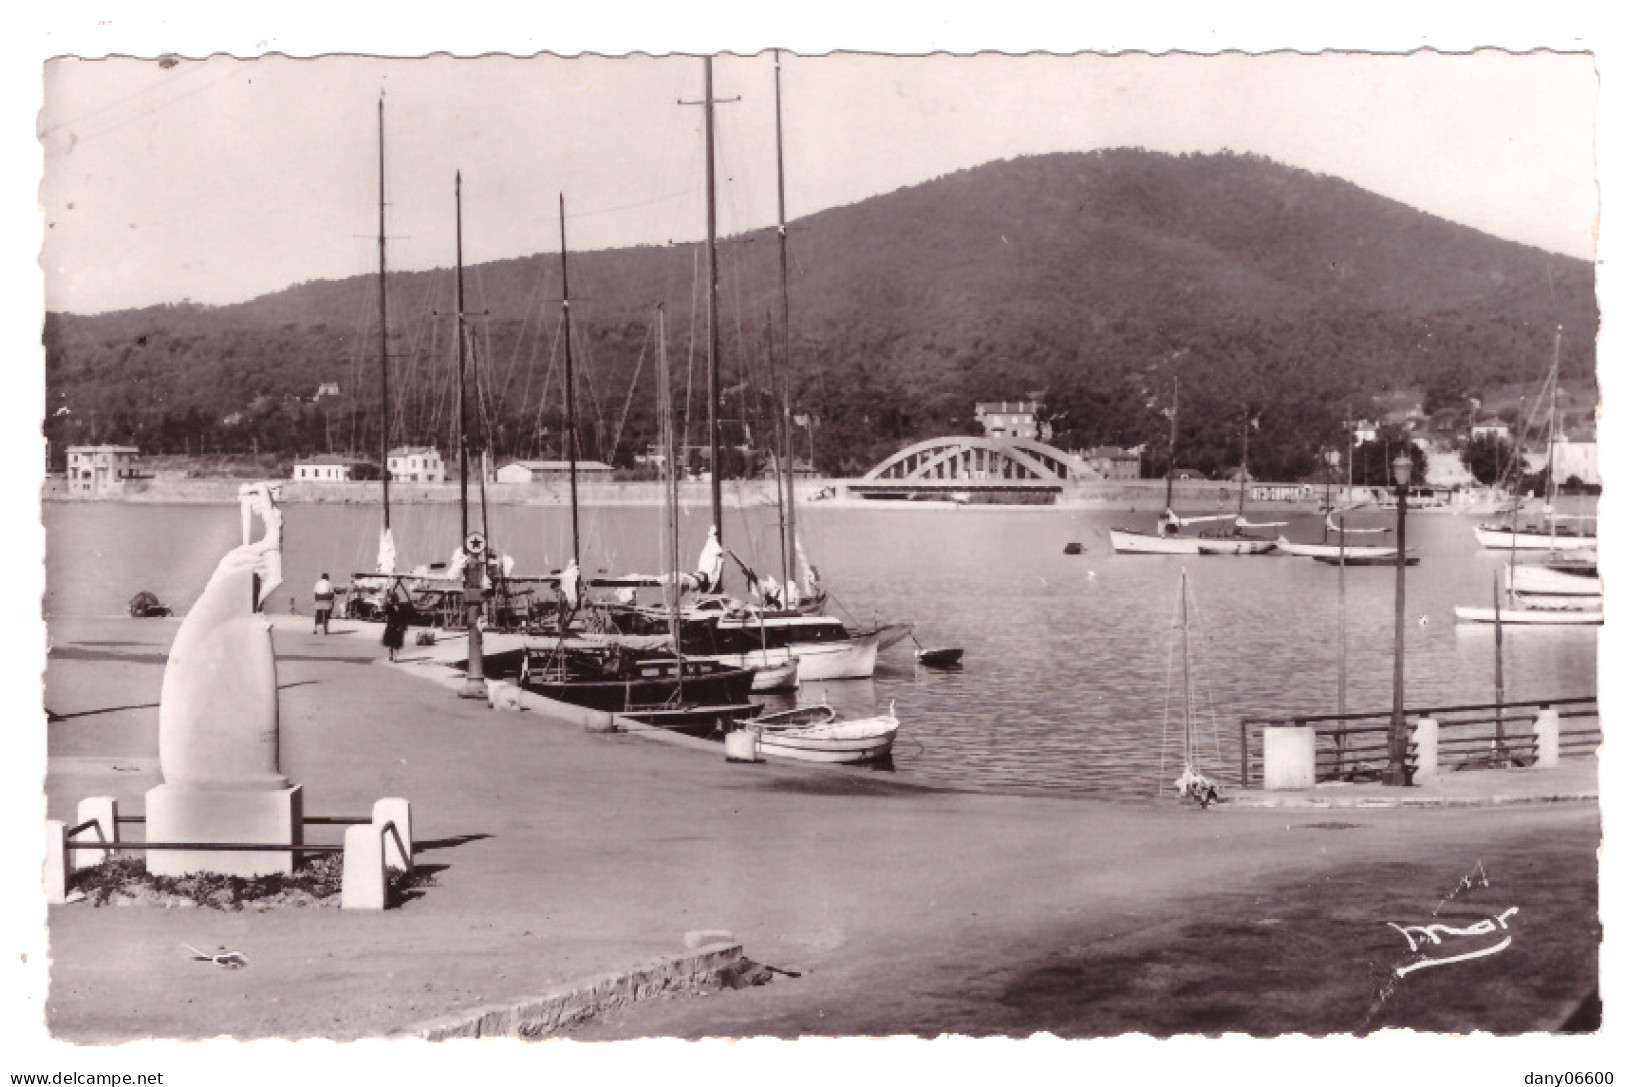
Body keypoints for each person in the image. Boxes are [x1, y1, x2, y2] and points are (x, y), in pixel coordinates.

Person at [382, 590, 410, 662]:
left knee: (397, 643)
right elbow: (386, 616)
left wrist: (404, 627)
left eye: (393, 599)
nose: (393, 601)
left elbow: (404, 618)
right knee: (391, 643)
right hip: (391, 626)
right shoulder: (388, 607)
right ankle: (391, 655)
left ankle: (395, 657)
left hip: (398, 626)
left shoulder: (402, 607)